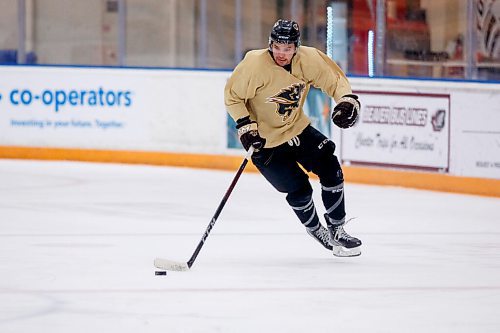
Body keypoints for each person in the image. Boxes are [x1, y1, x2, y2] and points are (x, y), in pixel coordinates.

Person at [224, 19, 362, 257]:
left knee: (330, 166)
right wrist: (246, 126)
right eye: (277, 46)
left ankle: (337, 229)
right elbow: (233, 96)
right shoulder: (255, 64)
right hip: (265, 143)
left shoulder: (309, 59)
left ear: (296, 47)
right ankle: (316, 229)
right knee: (299, 190)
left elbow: (334, 80)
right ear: (270, 44)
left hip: (297, 129)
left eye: (287, 48)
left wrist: (347, 100)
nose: (281, 53)